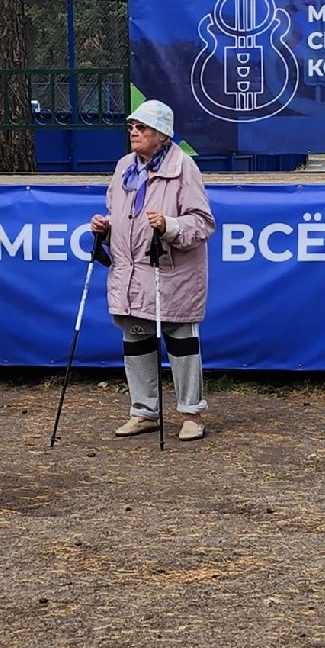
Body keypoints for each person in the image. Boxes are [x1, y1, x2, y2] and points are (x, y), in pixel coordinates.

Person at [89, 99, 216, 441]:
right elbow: (122, 218)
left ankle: (191, 415)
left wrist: (169, 225)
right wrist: (106, 228)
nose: (134, 132)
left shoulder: (184, 167)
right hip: (131, 276)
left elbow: (203, 223)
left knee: (182, 342)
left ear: (161, 134)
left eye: (142, 127)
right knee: (136, 340)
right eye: (131, 126)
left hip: (172, 274)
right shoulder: (124, 167)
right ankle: (144, 412)